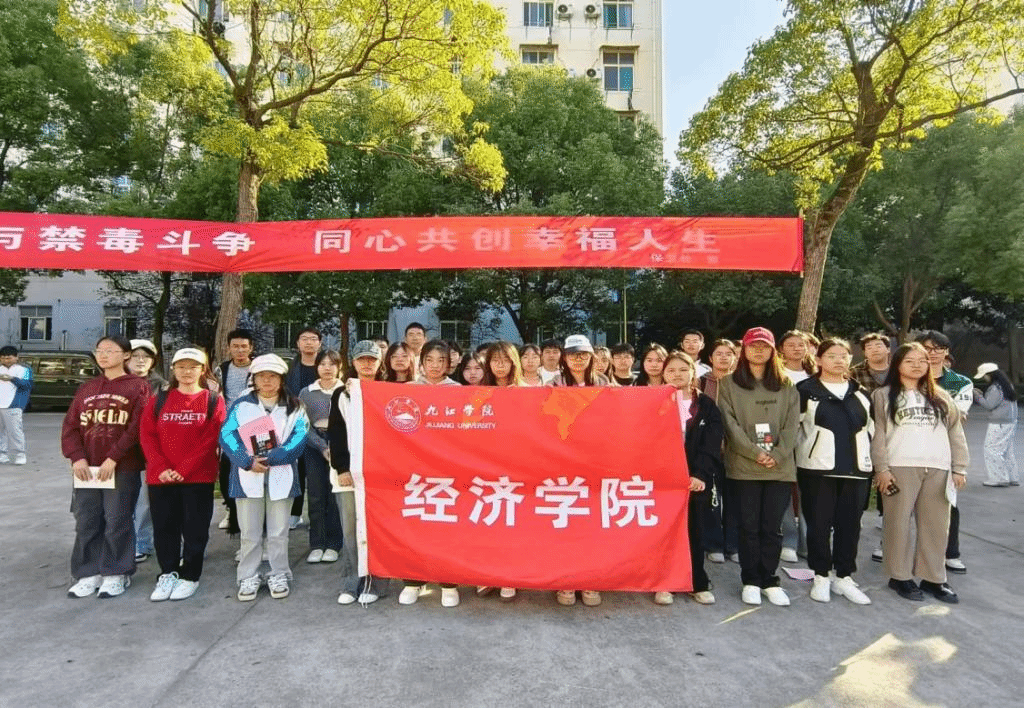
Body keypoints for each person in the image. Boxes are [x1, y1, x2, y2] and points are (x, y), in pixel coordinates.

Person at [871, 343, 969, 604]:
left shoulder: (941, 396)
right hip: (900, 466)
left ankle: (933, 578)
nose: (917, 365)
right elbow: (878, 434)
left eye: (922, 361)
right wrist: (881, 469)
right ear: (897, 365)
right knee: (898, 523)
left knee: (936, 526)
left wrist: (959, 467)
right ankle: (899, 576)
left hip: (938, 467)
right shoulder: (883, 395)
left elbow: (956, 433)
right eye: (910, 361)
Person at [61, 335, 151, 599]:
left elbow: (137, 426)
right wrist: (77, 457)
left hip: (121, 467)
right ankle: (88, 573)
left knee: (117, 520)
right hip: (87, 469)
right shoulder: (87, 388)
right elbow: (71, 426)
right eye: (99, 350)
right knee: (87, 520)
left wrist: (114, 457)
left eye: (110, 351)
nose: (103, 355)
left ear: (126, 355)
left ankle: (116, 573)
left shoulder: (138, 386)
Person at [718, 327, 800, 607]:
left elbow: (792, 424)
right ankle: (751, 580)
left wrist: (777, 453)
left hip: (779, 466)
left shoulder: (786, 384)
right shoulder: (729, 384)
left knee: (772, 528)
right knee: (749, 526)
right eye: (753, 346)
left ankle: (770, 580)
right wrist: (755, 452)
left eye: (764, 346)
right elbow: (729, 423)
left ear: (773, 350)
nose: (758, 350)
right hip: (744, 466)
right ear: (744, 350)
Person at [139, 347, 226, 601]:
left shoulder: (212, 400)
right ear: (173, 370)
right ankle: (167, 572)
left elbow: (211, 438)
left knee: (195, 528)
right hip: (161, 477)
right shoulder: (159, 399)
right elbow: (147, 435)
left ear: (203, 370)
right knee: (164, 527)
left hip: (197, 477)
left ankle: (190, 575)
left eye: (193, 367)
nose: (187, 372)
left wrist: (183, 470)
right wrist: (161, 467)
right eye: (181, 367)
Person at [221, 353, 310, 601]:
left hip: (282, 475)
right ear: (254, 379)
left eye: (273, 376)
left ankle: (278, 572)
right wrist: (247, 460)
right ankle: (247, 575)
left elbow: (300, 437)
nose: (267, 381)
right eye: (261, 376)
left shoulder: (295, 406)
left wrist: (275, 457)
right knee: (249, 533)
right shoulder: (241, 405)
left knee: (279, 532)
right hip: (248, 476)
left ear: (282, 379)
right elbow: (227, 435)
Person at [795, 338, 873, 605]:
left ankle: (844, 576)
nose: (838, 360)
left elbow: (872, 431)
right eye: (831, 356)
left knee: (850, 526)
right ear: (818, 359)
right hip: (817, 470)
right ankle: (821, 575)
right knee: (818, 525)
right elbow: (793, 428)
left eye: (844, 356)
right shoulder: (805, 390)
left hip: (856, 469)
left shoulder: (861, 393)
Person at [654, 351, 720, 606]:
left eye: (683, 369)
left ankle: (696, 581)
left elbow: (712, 442)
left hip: (695, 478)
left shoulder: (706, 405)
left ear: (693, 372)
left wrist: (700, 474)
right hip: (662, 479)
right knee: (663, 532)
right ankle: (665, 582)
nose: (677, 375)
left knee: (695, 529)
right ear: (663, 374)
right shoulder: (655, 401)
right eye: (671, 370)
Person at [401, 340, 462, 607]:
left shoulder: (458, 391)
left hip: (447, 470)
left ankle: (449, 582)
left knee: (446, 526)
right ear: (421, 362)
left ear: (449, 363)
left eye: (441, 360)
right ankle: (413, 580)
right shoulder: (407, 390)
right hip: (415, 469)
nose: (435, 366)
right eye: (429, 360)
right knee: (416, 524)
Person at [550, 334, 608, 606]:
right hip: (562, 463)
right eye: (573, 354)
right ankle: (566, 580)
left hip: (595, 463)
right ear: (564, 357)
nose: (578, 359)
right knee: (565, 524)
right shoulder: (553, 384)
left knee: (592, 524)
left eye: (583, 354)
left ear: (591, 357)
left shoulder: (605, 383)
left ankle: (590, 579)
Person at [330, 340, 386, 606]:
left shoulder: (386, 390)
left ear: (379, 363)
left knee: (378, 530)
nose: (367, 364)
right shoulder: (342, 393)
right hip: (350, 472)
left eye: (372, 359)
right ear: (352, 362)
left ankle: (376, 582)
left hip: (380, 474)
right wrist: (342, 468)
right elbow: (336, 433)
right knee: (351, 531)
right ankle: (351, 581)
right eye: (362, 359)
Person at [916, 330, 971, 576]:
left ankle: (951, 553)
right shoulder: (909, 377)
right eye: (927, 348)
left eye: (938, 348)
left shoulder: (959, 382)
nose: (933, 353)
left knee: (947, 501)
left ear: (946, 352)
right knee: (901, 502)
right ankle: (888, 544)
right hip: (909, 447)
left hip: (944, 450)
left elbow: (956, 416)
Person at [298, 351, 345, 564]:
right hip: (314, 445)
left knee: (335, 495)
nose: (327, 368)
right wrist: (321, 446)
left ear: (339, 367)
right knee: (316, 495)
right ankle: (317, 544)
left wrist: (335, 447)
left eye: (332, 364)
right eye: (323, 364)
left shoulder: (345, 391)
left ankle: (334, 544)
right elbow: (302, 424)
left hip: (340, 444)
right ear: (316, 367)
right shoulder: (306, 392)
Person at [698, 338, 739, 564]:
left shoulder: (742, 382)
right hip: (709, 448)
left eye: (728, 354)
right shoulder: (701, 382)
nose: (723, 357)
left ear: (735, 357)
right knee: (711, 498)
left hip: (738, 449)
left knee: (735, 498)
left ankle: (733, 544)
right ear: (710, 358)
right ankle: (713, 543)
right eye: (719, 354)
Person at [127, 339, 165, 564]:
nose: (140, 361)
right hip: (119, 452)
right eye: (135, 356)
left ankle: (142, 542)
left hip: (147, 450)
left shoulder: (161, 386)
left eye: (146, 357)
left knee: (143, 500)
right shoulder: (115, 382)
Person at [216, 328, 255, 533]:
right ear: (229, 348)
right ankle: (231, 510)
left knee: (251, 471)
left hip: (253, 427)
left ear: (251, 348)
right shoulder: (221, 370)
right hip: (228, 429)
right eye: (235, 346)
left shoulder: (258, 369)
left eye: (243, 346)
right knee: (226, 473)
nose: (240, 350)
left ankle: (252, 518)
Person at [284, 327, 322, 530]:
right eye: (304, 339)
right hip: (294, 423)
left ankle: (319, 517)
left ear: (320, 344)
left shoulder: (326, 365)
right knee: (296, 471)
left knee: (318, 473)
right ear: (298, 343)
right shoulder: (289, 369)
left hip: (321, 425)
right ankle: (295, 512)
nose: (309, 342)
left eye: (313, 339)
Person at [972, 363, 1020, 487]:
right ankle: (1012, 477)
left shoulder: (995, 388)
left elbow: (989, 405)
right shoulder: (1006, 385)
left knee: (992, 450)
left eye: (985, 375)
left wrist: (977, 396)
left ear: (990, 375)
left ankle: (999, 478)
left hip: (999, 423)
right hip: (1010, 421)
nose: (984, 378)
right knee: (1006, 450)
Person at [0, 345, 32, 465]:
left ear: (16, 357)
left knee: (15, 431)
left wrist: (12, 379)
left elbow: (27, 385)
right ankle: (2, 454)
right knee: (1, 432)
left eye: (9, 358)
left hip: (13, 405)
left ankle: (20, 454)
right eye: (3, 358)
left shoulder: (24, 370)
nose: (6, 360)